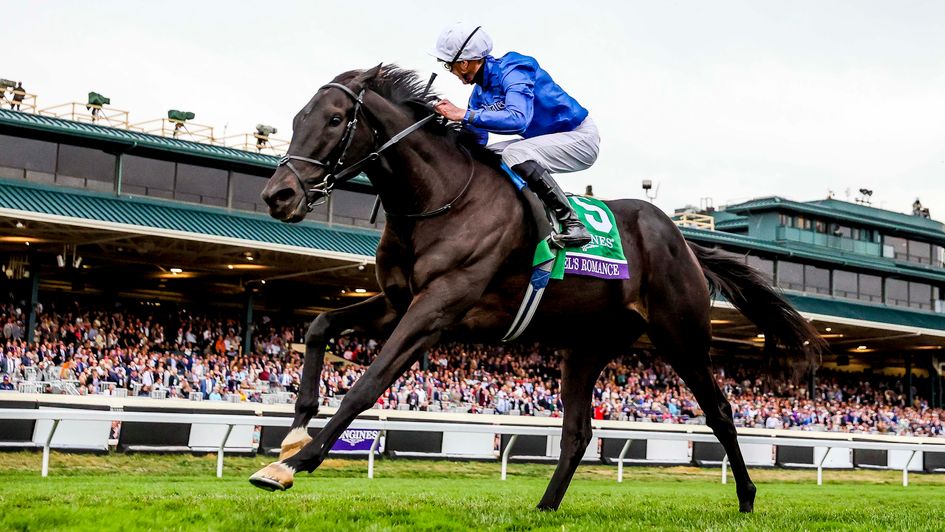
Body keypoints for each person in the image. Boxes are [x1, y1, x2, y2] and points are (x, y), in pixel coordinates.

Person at [432, 23, 599, 248]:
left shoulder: (514, 69)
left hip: (579, 137)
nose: (450, 71)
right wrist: (439, 134)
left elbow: (519, 119)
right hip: (543, 141)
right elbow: (475, 144)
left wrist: (464, 114)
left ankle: (572, 223)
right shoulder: (478, 95)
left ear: (463, 63)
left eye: (448, 65)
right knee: (488, 157)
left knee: (515, 153)